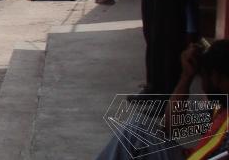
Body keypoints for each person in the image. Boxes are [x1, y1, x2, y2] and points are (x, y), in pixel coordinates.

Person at [95, 41, 229, 160]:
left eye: (204, 77)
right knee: (137, 130)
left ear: (216, 78)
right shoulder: (220, 108)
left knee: (135, 131)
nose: (203, 87)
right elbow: (171, 126)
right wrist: (186, 77)